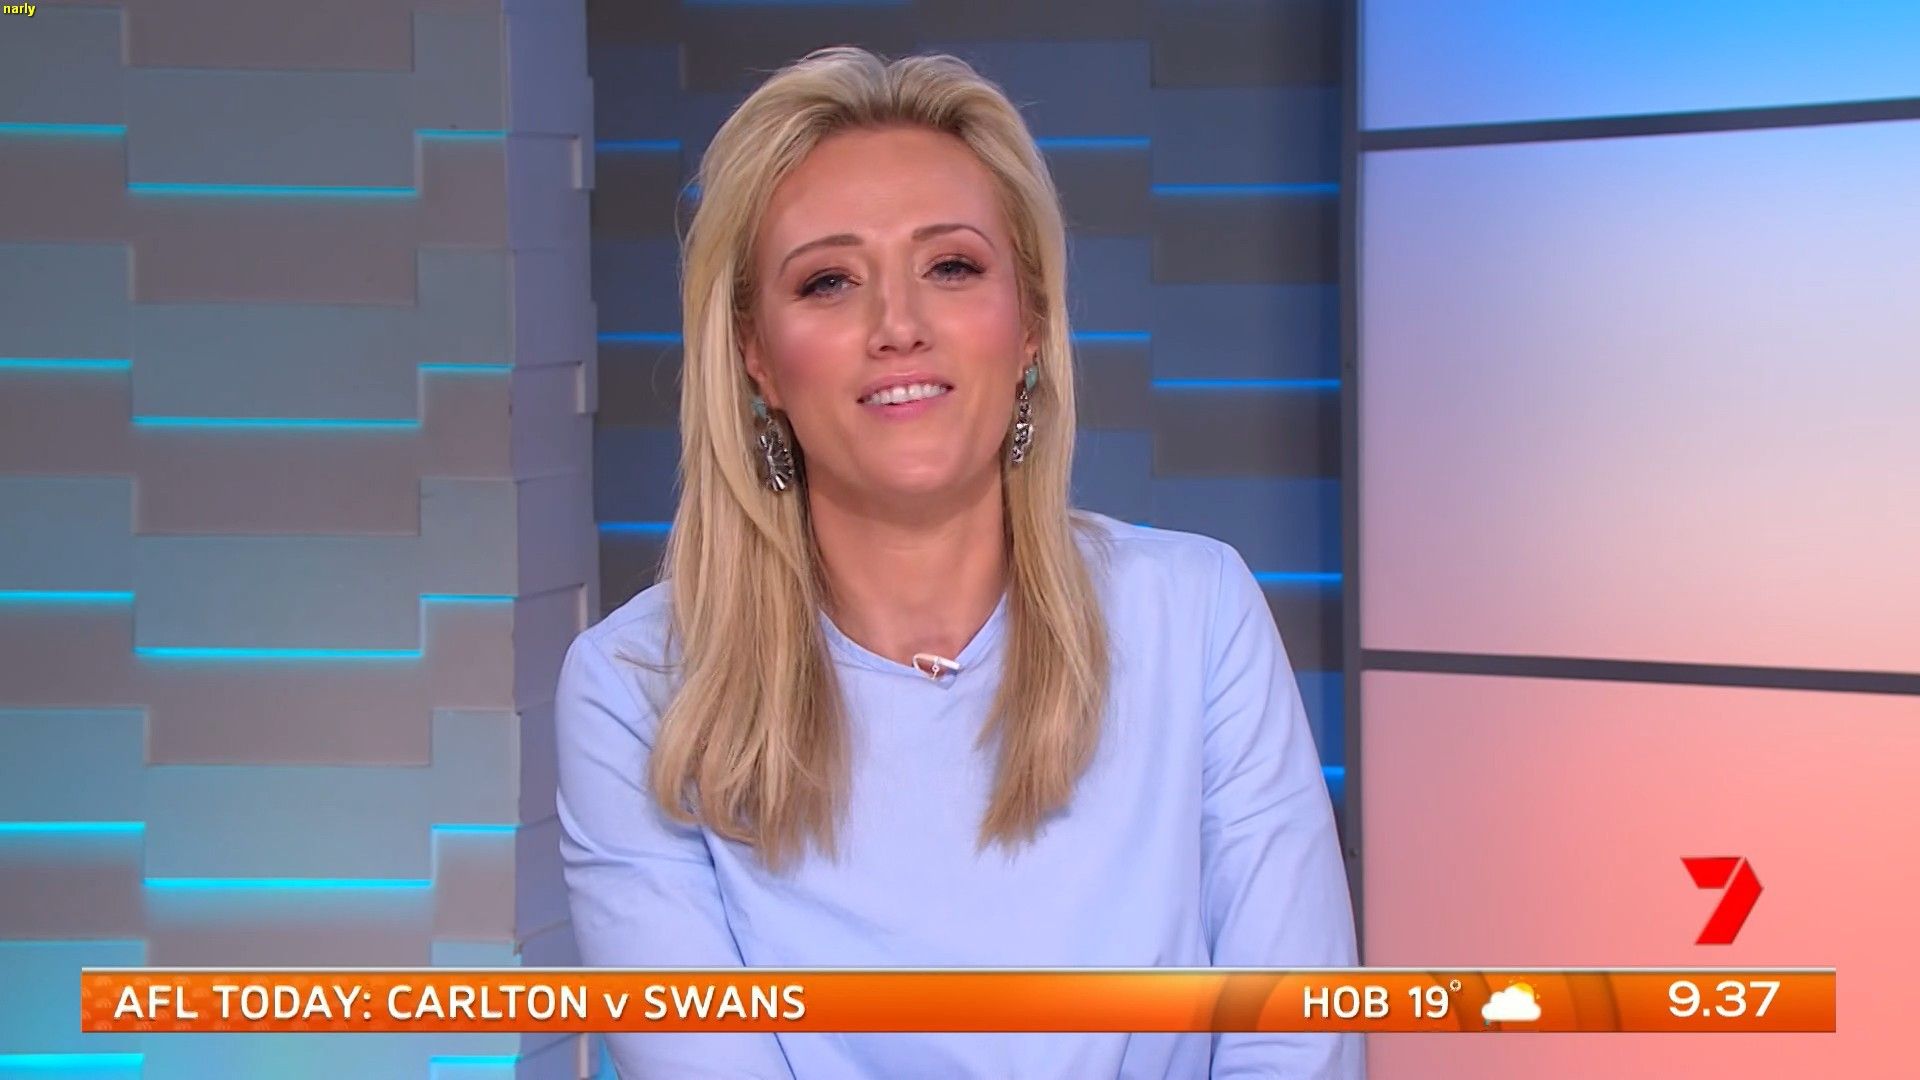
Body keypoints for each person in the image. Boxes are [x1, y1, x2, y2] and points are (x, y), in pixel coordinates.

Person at [554, 45, 1363, 1079]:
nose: (898, 327)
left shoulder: (1195, 615)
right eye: (830, 281)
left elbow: (1297, 1040)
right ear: (757, 358)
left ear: (1029, 322)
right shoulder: (638, 691)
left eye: (951, 267)